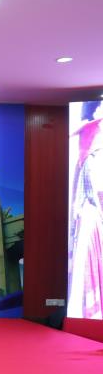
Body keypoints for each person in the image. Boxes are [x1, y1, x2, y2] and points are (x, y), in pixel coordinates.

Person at [68, 101, 103, 319]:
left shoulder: (86, 158)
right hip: (91, 217)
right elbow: (94, 192)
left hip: (88, 217)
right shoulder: (90, 158)